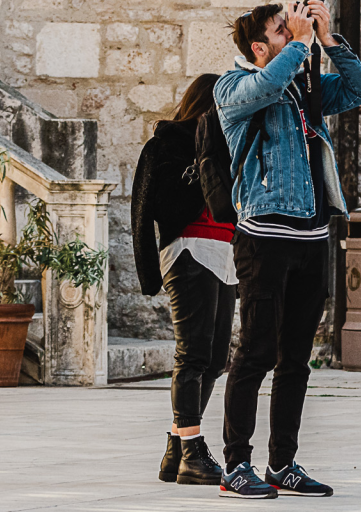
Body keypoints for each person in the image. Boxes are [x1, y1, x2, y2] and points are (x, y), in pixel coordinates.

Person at [213, 0, 361, 499]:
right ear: (261, 46)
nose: (295, 30)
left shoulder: (306, 87)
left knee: (296, 359)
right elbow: (264, 86)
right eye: (283, 29)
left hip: (311, 235)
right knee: (255, 353)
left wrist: (328, 40)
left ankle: (282, 463)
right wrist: (302, 45)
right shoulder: (233, 86)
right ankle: (235, 465)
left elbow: (360, 89)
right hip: (263, 236)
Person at [131, 74, 236, 486]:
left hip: (225, 254)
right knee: (192, 355)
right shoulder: (171, 141)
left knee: (215, 359)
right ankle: (192, 451)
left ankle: (177, 449)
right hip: (190, 250)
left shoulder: (228, 142)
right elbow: (150, 207)